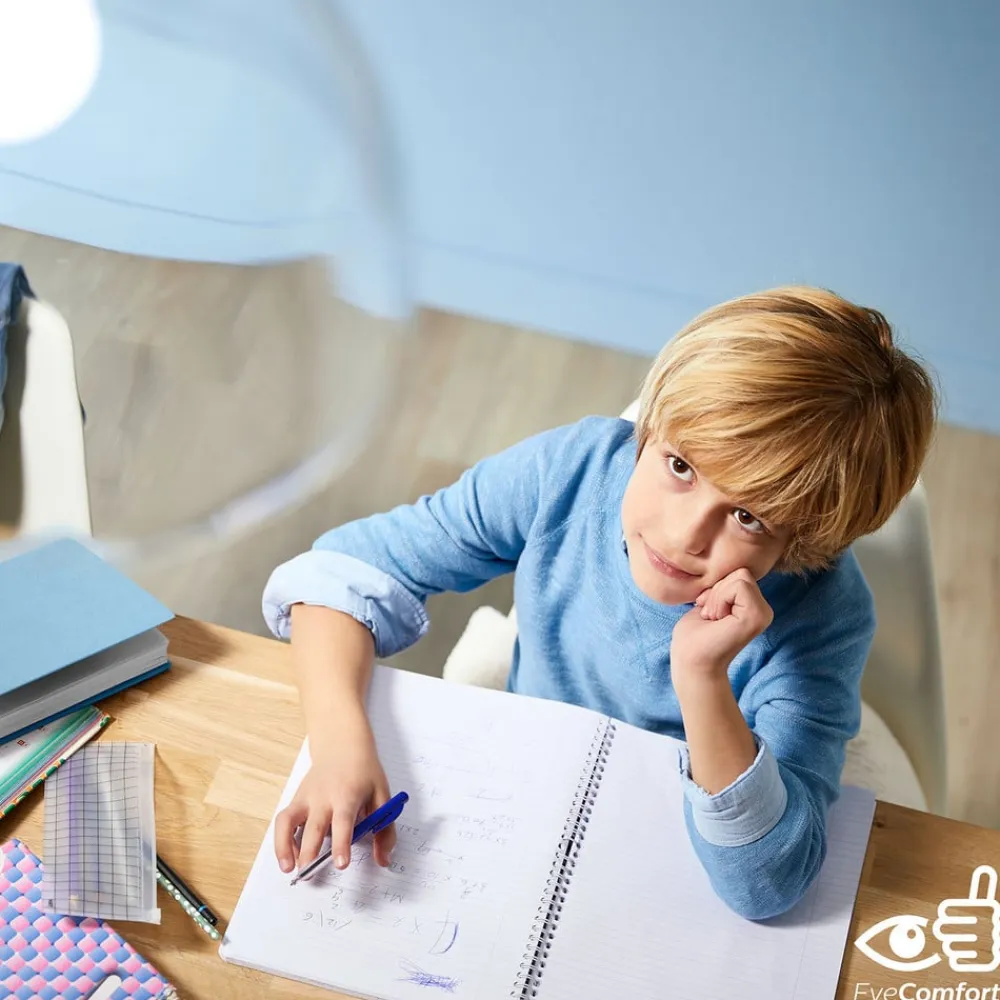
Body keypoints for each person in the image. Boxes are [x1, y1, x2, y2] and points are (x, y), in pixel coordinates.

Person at [262, 286, 937, 920]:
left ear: (805, 540)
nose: (684, 535)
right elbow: (341, 572)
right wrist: (339, 747)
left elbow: (768, 885)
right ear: (654, 427)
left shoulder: (824, 617)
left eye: (748, 517)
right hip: (532, 784)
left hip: (671, 841)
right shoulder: (571, 471)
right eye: (680, 466)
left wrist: (702, 677)